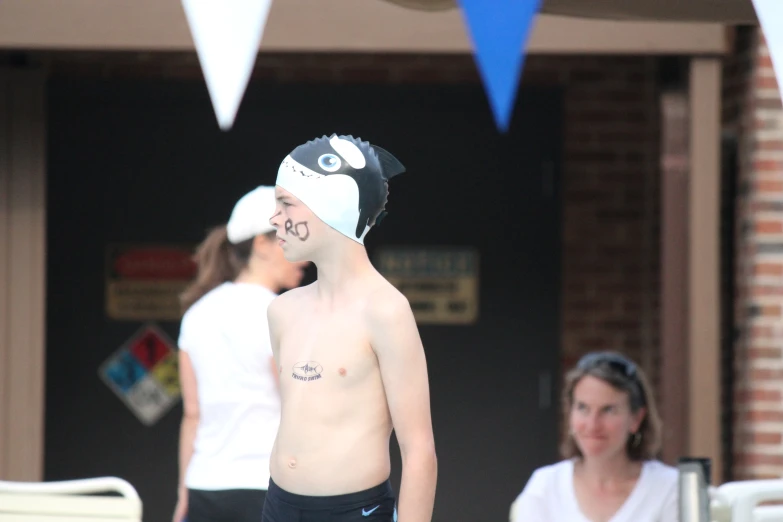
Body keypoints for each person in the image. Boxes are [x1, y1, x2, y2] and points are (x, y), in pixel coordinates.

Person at [261, 134, 437, 522]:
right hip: (278, 506)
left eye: (286, 203)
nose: (275, 218)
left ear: (334, 206)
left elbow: (419, 448)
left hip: (354, 511)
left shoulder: (386, 311)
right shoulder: (282, 310)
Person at [173, 185, 308, 522]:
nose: (305, 254)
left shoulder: (196, 314)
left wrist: (183, 493)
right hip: (268, 487)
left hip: (204, 486)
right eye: (294, 236)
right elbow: (304, 407)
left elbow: (192, 414)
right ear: (261, 243)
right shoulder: (280, 313)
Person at [510, 351, 678, 522]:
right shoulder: (545, 488)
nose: (593, 425)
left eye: (608, 410)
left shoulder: (671, 490)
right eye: (583, 408)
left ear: (636, 418)